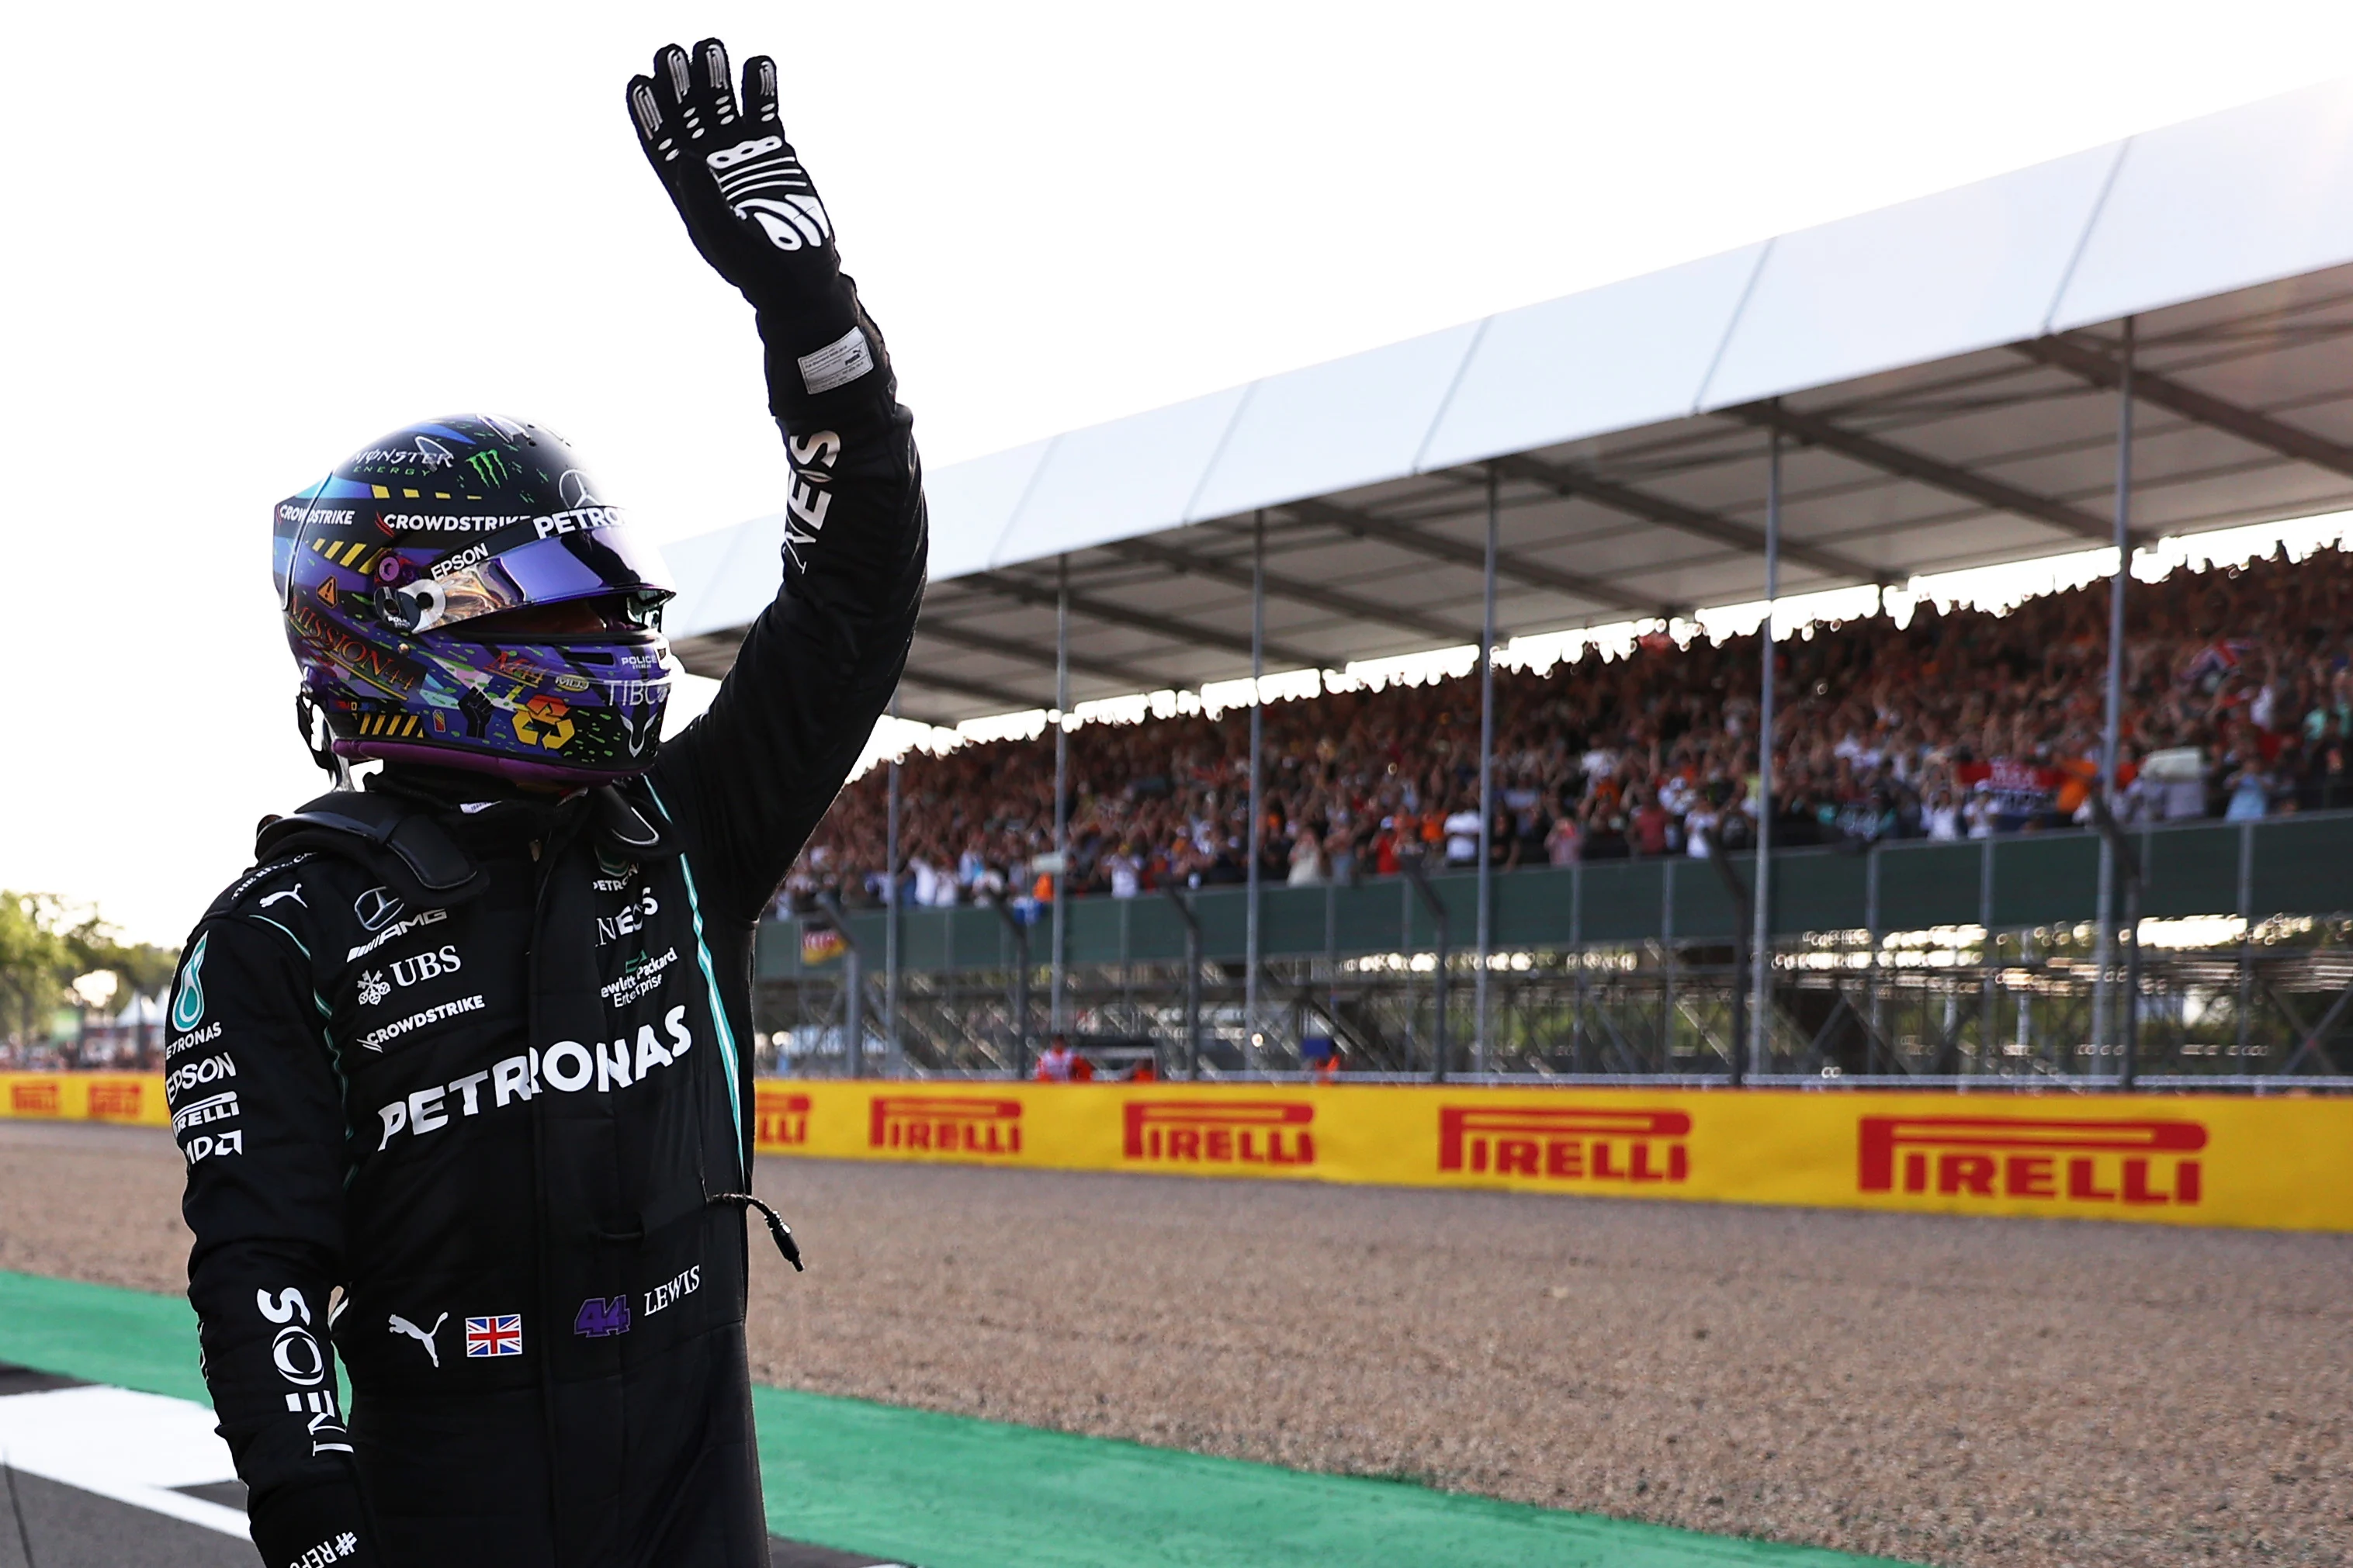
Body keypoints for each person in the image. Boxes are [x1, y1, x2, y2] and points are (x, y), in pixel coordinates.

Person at [167, 40, 924, 1568]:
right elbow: (257, 1267)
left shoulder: (681, 831)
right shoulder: (274, 934)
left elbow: (850, 589)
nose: (607, 627)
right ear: (402, 628)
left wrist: (812, 316)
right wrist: (315, 1522)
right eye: (550, 595)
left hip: (695, 1506)